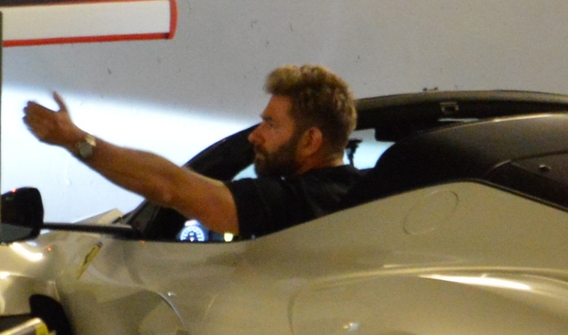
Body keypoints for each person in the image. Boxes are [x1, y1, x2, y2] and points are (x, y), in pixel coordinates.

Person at [22, 64, 362, 238]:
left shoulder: (292, 203)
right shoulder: (360, 194)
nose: (255, 137)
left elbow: (170, 186)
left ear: (310, 141)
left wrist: (76, 140)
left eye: (271, 125)